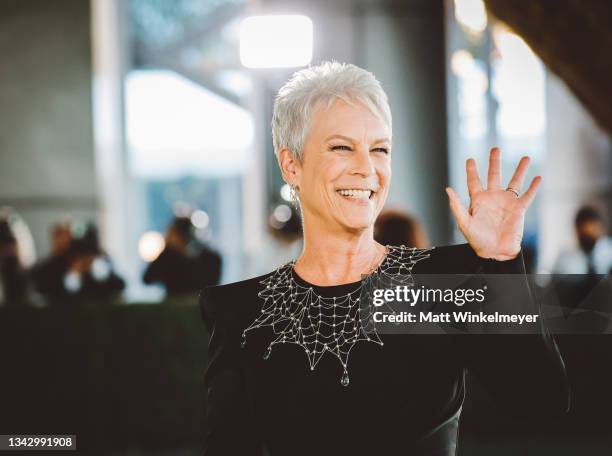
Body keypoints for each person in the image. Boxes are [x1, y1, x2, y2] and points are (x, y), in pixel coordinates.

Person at [199, 62, 569, 455]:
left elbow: (540, 404)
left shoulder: (443, 280)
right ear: (292, 164)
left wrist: (501, 264)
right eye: (342, 147)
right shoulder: (240, 312)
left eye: (380, 149)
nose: (366, 168)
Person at [32, 222, 125, 306]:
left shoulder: (102, 262)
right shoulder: (54, 266)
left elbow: (119, 286)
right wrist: (73, 274)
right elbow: (42, 289)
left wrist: (101, 272)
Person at [143, 216, 222, 295]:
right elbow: (147, 278)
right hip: (198, 305)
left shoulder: (169, 259)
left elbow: (147, 278)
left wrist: (168, 249)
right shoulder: (212, 259)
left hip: (180, 305)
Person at [554, 205, 612, 275]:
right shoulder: (565, 258)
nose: (588, 236)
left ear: (601, 229)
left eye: (593, 231)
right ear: (576, 230)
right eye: (584, 233)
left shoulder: (609, 251)